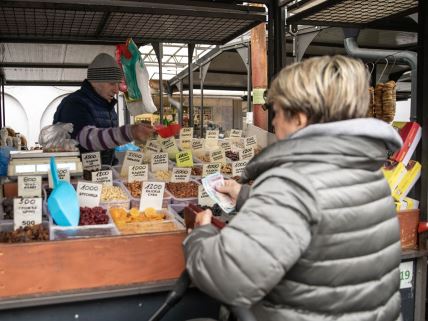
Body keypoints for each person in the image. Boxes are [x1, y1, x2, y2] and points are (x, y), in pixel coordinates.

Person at [184, 55, 403, 320]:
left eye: (276, 112)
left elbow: (226, 277)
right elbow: (326, 214)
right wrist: (245, 195)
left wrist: (200, 235)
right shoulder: (366, 169)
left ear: (299, 119)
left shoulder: (291, 181)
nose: (273, 123)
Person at [53, 53, 153, 165]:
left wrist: (113, 166)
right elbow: (87, 138)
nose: (116, 90)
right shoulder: (74, 104)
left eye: (117, 83)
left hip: (100, 176)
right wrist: (130, 132)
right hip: (76, 177)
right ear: (95, 81)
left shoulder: (107, 106)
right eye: (111, 83)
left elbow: (108, 148)